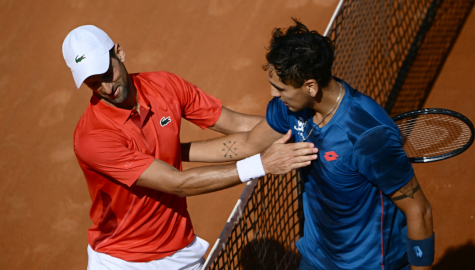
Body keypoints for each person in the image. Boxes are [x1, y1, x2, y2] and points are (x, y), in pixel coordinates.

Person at [62, 25, 318, 270]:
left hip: (181, 251)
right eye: (94, 83)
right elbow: (178, 183)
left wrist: (300, 124)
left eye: (107, 74)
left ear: (119, 53)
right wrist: (262, 165)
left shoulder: (165, 86)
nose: (107, 88)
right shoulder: (92, 138)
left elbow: (238, 125)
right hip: (123, 261)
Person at [187, 19, 434, 269]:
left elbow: (419, 210)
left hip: (369, 263)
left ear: (311, 86)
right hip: (316, 257)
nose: (274, 95)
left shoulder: (368, 136)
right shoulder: (292, 108)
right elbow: (249, 143)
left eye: (280, 88)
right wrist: (174, 152)